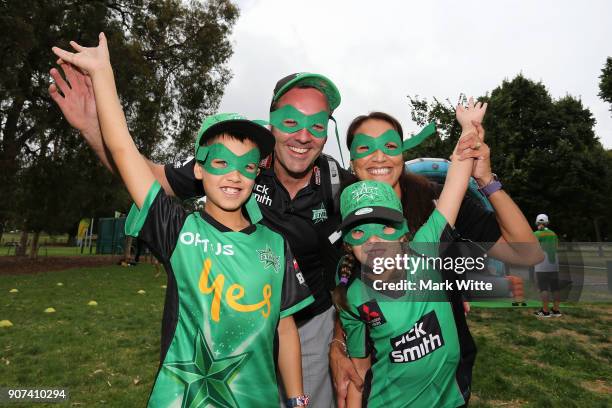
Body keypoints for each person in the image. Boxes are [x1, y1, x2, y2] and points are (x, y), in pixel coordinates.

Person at [50, 57, 351, 405]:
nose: (303, 135)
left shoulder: (333, 185)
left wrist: (340, 347)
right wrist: (94, 124)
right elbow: (144, 176)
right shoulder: (233, 157)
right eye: (291, 121)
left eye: (316, 126)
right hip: (211, 344)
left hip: (306, 326)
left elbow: (366, 254)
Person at [328, 106, 544, 406]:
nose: (379, 157)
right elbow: (347, 294)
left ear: (402, 152)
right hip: (385, 385)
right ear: (352, 159)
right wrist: (339, 344)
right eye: (365, 148)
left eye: (390, 146)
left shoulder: (436, 206)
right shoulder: (344, 211)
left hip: (446, 381)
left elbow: (527, 254)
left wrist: (485, 178)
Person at [332, 129, 478, 407]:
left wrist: (468, 132)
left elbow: (455, 187)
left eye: (384, 227)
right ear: (349, 244)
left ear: (402, 233)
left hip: (449, 400)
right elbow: (359, 371)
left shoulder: (426, 252)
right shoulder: (352, 298)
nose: (374, 240)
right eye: (360, 232)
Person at [533, 213, 562, 317]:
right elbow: (556, 246)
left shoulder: (536, 234)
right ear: (547, 222)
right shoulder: (553, 234)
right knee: (555, 288)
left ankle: (545, 311)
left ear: (537, 222)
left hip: (542, 263)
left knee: (543, 287)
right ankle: (556, 310)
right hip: (554, 262)